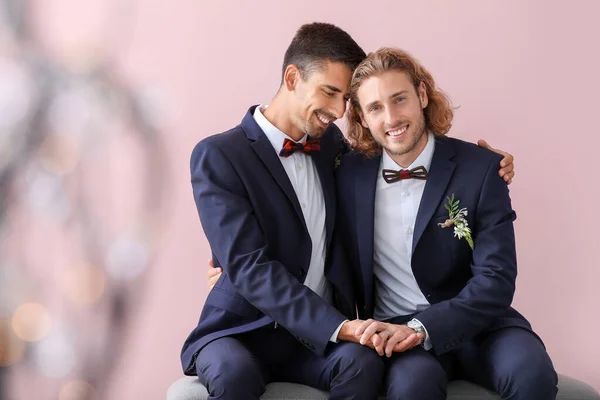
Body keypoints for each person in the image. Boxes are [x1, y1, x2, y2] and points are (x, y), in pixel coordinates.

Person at [194, 23, 515, 399]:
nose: (337, 111)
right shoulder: (218, 154)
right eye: (329, 92)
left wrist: (487, 166)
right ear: (293, 77)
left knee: (362, 366)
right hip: (242, 327)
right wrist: (340, 327)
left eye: (345, 98)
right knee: (234, 377)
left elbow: (395, 162)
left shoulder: (331, 144)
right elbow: (249, 265)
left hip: (317, 338)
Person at [336, 47, 558, 399]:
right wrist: (229, 263)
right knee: (411, 388)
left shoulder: (482, 169)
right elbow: (291, 198)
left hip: (485, 323)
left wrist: (428, 327)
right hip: (398, 330)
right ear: (362, 118)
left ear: (422, 95)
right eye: (375, 107)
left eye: (400, 99)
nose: (391, 117)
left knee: (531, 374)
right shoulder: (345, 175)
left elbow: (496, 278)